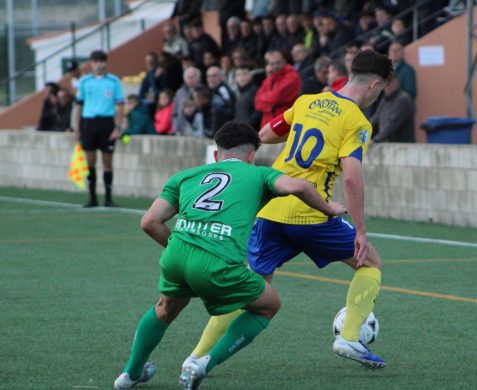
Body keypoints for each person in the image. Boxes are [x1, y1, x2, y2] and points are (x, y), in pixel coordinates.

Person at [182, 50, 393, 371]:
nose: (379, 96)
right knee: (371, 263)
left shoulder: (308, 102)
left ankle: (196, 358)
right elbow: (351, 177)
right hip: (312, 213)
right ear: (375, 85)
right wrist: (361, 231)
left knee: (249, 289)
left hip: (271, 209)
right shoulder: (357, 121)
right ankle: (349, 336)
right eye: (381, 90)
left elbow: (262, 136)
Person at [113, 122, 346, 390]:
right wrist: (328, 208)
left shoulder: (185, 176)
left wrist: (183, 246)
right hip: (217, 262)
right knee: (268, 306)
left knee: (165, 308)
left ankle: (129, 375)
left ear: (216, 154)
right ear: (251, 155)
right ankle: (202, 364)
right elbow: (301, 187)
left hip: (177, 255)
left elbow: (149, 222)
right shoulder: (259, 174)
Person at [73, 50, 125, 208]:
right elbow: (78, 106)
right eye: (96, 61)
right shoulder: (84, 82)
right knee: (90, 161)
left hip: (107, 123)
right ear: (91, 63)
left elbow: (120, 105)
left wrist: (118, 127)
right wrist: (76, 128)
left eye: (102, 61)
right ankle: (92, 197)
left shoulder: (114, 81)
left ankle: (108, 198)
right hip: (89, 123)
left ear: (106, 62)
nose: (99, 64)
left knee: (107, 161)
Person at [254, 50, 301, 127]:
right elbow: (257, 102)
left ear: (284, 61)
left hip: (283, 124)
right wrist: (271, 105)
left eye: (278, 63)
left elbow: (276, 97)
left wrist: (266, 101)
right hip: (269, 123)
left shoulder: (292, 76)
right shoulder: (272, 76)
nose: (275, 66)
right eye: (272, 64)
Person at [370, 74, 415, 143]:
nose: (387, 86)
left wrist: (376, 139)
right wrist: (362, 128)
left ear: (396, 82)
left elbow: (393, 124)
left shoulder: (403, 99)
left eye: (389, 83)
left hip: (402, 146)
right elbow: (375, 118)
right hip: (389, 145)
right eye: (385, 84)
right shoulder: (385, 99)